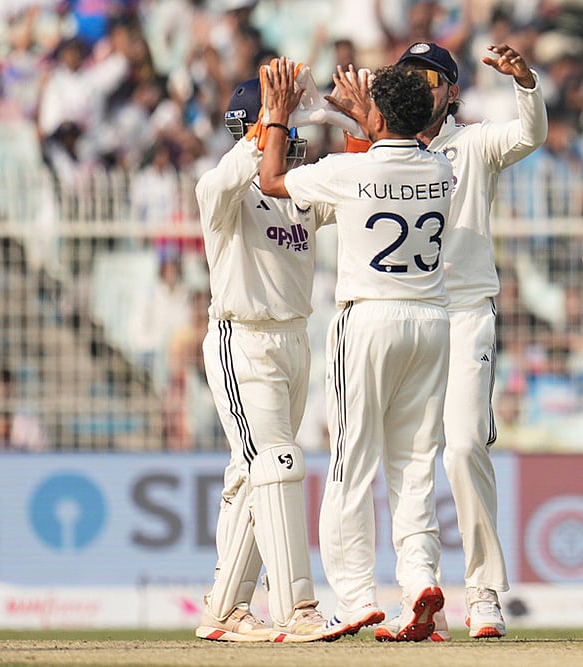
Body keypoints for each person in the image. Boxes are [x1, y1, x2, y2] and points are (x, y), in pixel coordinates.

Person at [259, 58, 452, 642]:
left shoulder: (349, 171)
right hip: (432, 321)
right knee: (415, 467)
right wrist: (367, 113)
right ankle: (419, 581)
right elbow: (393, 150)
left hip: (369, 319)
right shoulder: (443, 168)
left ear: (378, 115)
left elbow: (271, 182)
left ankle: (356, 598)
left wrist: (275, 117)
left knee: (351, 462)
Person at [386, 41, 548, 640]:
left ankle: (483, 591)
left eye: (431, 79)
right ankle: (418, 590)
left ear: (451, 91)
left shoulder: (475, 143)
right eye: (412, 77)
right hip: (405, 314)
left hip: (465, 313)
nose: (421, 87)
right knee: (411, 457)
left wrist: (524, 82)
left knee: (461, 449)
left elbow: (529, 135)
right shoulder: (389, 151)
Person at [193, 73, 335, 643]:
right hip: (242, 339)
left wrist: (340, 117)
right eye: (283, 127)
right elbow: (222, 182)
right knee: (277, 462)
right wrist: (270, 121)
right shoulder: (224, 187)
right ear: (254, 128)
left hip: (295, 341)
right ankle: (298, 608)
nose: (292, 139)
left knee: (255, 476)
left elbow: (356, 182)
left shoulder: (293, 187)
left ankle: (224, 611)